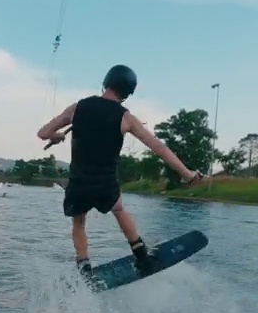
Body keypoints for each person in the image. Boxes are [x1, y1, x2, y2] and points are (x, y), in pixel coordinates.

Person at [37, 64, 204, 274]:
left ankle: (84, 267)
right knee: (118, 209)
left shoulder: (77, 108)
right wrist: (186, 173)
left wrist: (57, 136)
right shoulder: (126, 118)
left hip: (79, 183)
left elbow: (43, 133)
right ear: (127, 93)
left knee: (78, 223)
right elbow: (159, 148)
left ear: (106, 82)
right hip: (106, 185)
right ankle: (142, 255)